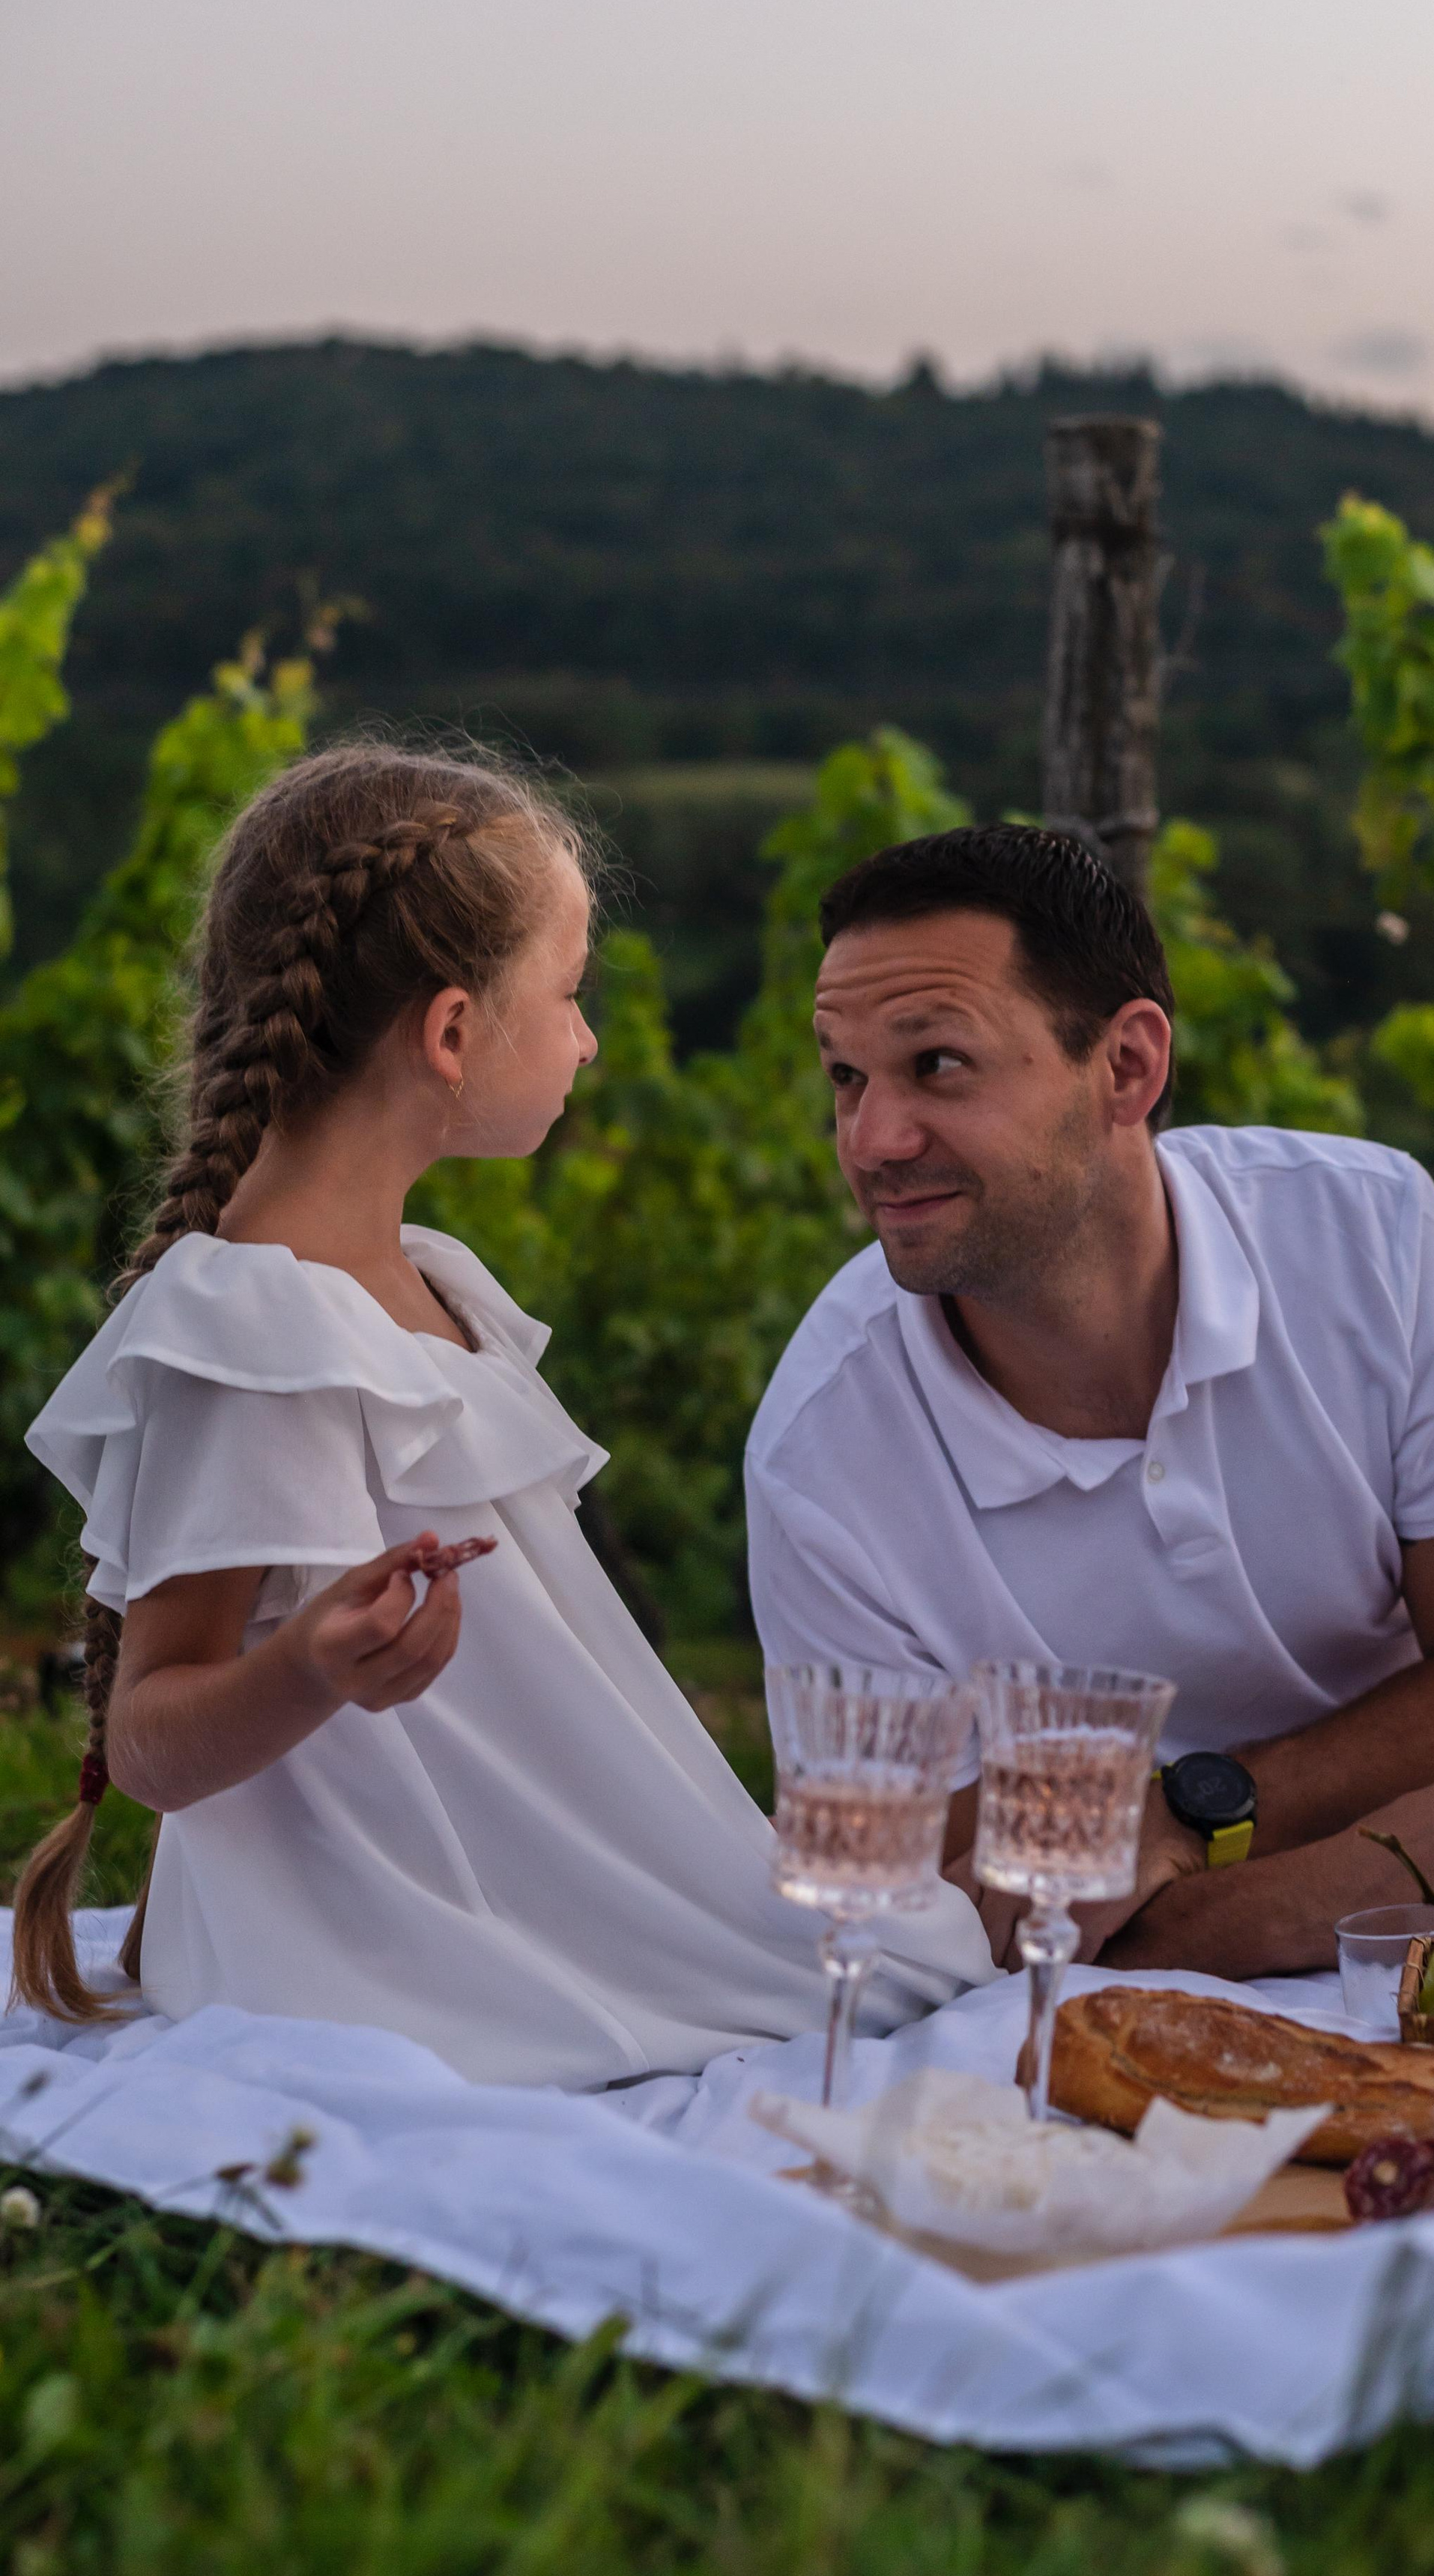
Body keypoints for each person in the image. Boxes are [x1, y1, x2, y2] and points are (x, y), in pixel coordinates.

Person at [10, 745, 992, 2081]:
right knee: (899, 1973)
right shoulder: (255, 1333)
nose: (588, 1039)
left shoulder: (429, 1284)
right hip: (373, 1945)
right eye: (570, 994)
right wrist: (308, 1670)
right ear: (453, 1033)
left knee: (915, 1952)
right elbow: (150, 1743)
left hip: (530, 1881)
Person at [748, 824, 1434, 1976]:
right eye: (846, 1077)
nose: (871, 1141)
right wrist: (1329, 1887)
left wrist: (1188, 1815)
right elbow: (957, 1923)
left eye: (937, 1064)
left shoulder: (1363, 1233)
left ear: (1128, 1067)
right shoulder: (822, 1460)